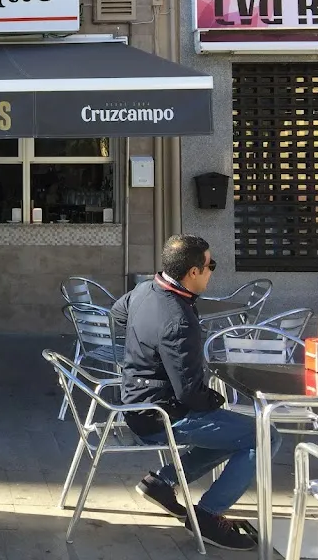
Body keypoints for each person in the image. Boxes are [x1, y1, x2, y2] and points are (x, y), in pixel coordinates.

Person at [110, 234, 282, 552]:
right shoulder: (178, 321)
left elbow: (118, 313)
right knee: (264, 436)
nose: (211, 271)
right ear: (192, 271)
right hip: (159, 415)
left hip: (136, 402)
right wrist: (215, 400)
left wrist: (145, 352)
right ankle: (208, 515)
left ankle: (162, 482)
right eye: (210, 266)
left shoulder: (146, 289)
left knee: (237, 432)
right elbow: (190, 393)